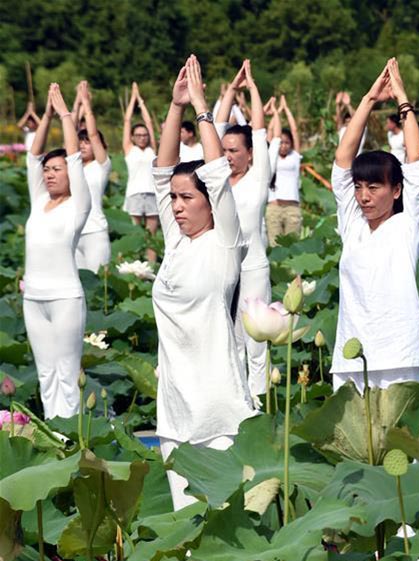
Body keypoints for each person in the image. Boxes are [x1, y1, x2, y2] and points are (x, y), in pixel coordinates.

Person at [153, 55, 257, 510]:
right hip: (175, 407)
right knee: (183, 527)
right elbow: (161, 172)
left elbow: (218, 176)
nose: (176, 206)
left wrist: (201, 107)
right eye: (173, 199)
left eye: (186, 198)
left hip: (219, 408)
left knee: (221, 523)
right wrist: (175, 108)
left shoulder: (223, 243)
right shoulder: (176, 243)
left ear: (209, 202)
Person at [330, 58, 419, 390]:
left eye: (374, 187)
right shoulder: (352, 223)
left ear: (396, 190)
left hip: (400, 355)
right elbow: (343, 160)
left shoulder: (407, 226)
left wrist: (403, 101)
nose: (363, 196)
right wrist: (369, 101)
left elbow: (415, 161)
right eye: (359, 187)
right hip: (351, 353)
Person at [24, 83, 90, 420]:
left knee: (67, 373)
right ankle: (53, 432)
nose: (49, 174)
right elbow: (33, 156)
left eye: (56, 169)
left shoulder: (78, 205)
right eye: (47, 171)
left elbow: (76, 159)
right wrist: (46, 115)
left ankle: (72, 440)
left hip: (65, 298)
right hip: (33, 298)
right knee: (46, 373)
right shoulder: (39, 201)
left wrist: (66, 114)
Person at [214, 59, 272, 397]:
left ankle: (260, 405)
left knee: (255, 344)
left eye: (235, 151)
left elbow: (260, 130)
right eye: (225, 151)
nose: (228, 156)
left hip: (253, 269)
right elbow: (216, 128)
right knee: (230, 342)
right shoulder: (218, 183)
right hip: (225, 268)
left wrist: (251, 90)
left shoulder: (258, 179)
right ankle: (236, 404)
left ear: (251, 154)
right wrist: (230, 91)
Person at [73, 81, 111, 273]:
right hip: (73, 232)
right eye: (80, 142)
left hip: (95, 232)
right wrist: (76, 103)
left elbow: (94, 134)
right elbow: (69, 132)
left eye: (87, 143)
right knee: (78, 287)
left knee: (97, 285)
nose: (83, 145)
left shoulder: (101, 166)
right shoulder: (73, 167)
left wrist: (86, 105)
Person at [123, 82, 159, 262]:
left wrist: (142, 103)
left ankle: (151, 268)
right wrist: (133, 98)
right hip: (134, 194)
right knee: (134, 235)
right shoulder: (129, 149)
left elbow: (149, 123)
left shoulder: (152, 149)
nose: (142, 138)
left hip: (152, 193)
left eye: (144, 135)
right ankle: (134, 266)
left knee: (151, 236)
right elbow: (127, 120)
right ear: (132, 137)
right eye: (138, 135)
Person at [266, 95, 303, 245]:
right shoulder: (271, 155)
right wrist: (276, 113)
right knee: (275, 248)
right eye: (281, 143)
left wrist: (286, 110)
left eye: (287, 143)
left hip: (292, 207)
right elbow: (270, 132)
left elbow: (294, 130)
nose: (283, 145)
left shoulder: (295, 156)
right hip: (274, 206)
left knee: (293, 248)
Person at [336, 91, 366, 156]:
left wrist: (348, 105)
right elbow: (339, 119)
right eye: (346, 122)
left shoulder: (360, 129)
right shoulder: (343, 129)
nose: (348, 124)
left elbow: (357, 118)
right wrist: (338, 105)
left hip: (357, 160)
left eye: (350, 121)